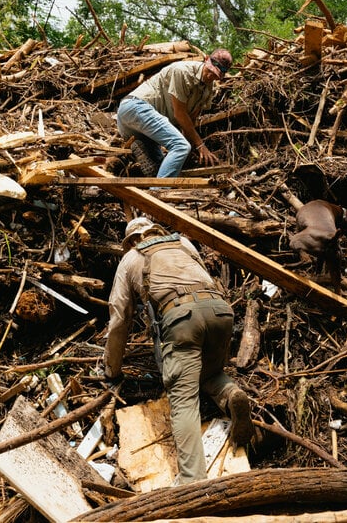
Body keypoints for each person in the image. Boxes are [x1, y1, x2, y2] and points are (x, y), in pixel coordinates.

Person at [104, 216, 252, 485]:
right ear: (156, 230)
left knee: (183, 399)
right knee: (208, 374)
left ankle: (192, 479)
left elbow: (119, 318)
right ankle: (231, 394)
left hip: (183, 319)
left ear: (132, 240)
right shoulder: (183, 243)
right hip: (220, 311)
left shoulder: (131, 258)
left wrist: (112, 369)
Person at [116, 49, 231, 178]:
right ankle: (159, 190)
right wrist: (200, 145)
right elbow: (179, 114)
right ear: (206, 59)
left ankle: (143, 146)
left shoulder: (209, 89)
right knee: (181, 146)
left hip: (144, 130)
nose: (210, 76)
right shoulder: (183, 71)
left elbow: (190, 120)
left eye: (216, 75)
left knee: (162, 167)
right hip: (134, 107)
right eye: (210, 71)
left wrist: (189, 153)